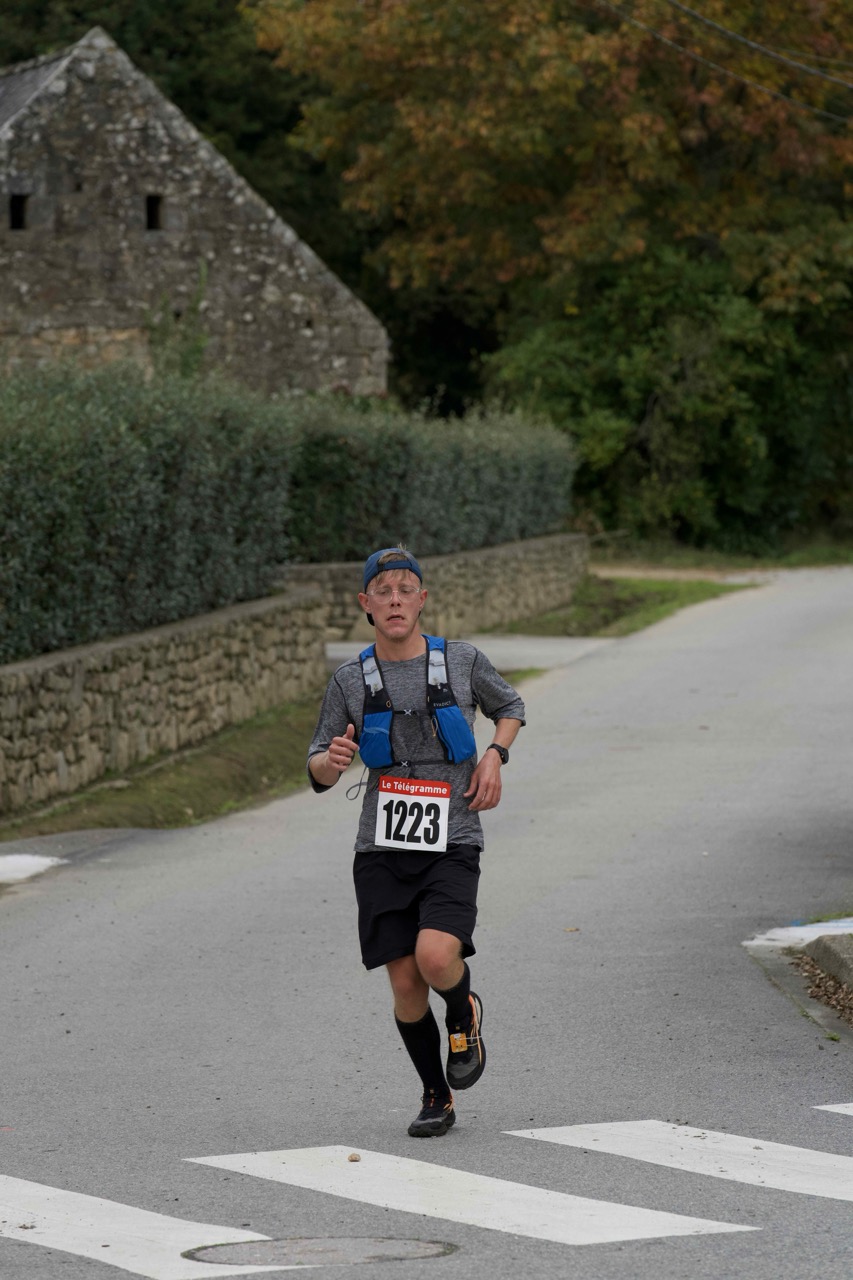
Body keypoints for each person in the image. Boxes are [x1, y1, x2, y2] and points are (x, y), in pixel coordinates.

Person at [307, 546, 525, 1137]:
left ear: (422, 599)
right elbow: (318, 767)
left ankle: (462, 1009)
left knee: (434, 957)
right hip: (381, 848)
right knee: (405, 985)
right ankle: (436, 1095)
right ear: (366, 604)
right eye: (383, 591)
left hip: (453, 836)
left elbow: (510, 705)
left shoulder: (460, 661)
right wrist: (332, 760)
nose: (395, 600)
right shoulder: (349, 680)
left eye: (406, 589)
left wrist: (495, 755)